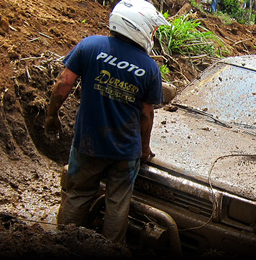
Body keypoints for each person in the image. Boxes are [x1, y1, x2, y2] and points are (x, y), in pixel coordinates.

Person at [44, 0, 168, 244]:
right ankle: (109, 249)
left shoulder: (90, 45)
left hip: (88, 142)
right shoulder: (150, 68)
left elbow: (63, 84)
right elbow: (146, 114)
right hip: (124, 152)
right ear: (141, 28)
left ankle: (63, 243)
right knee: (118, 204)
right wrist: (144, 148)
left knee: (78, 194)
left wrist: (51, 115)